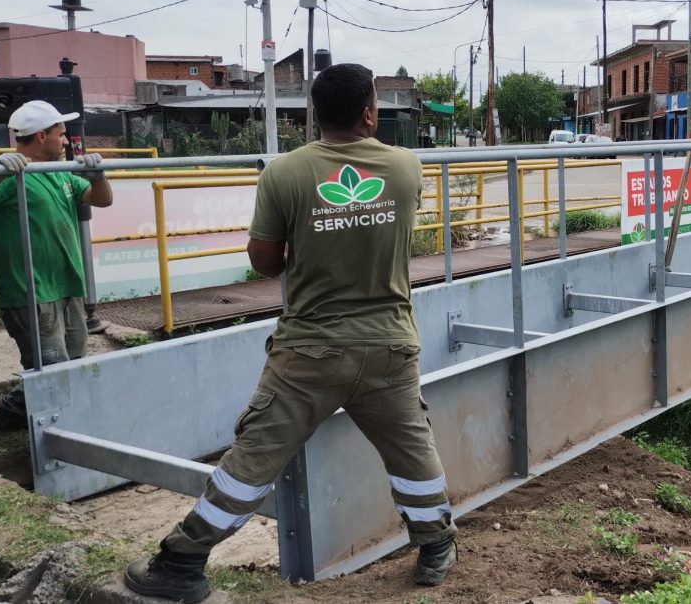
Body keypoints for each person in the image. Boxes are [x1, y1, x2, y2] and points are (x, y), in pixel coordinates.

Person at [124, 64, 457, 603]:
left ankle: (182, 560)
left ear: (313, 116)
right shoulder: (405, 167)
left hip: (310, 351)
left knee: (254, 456)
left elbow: (265, 264)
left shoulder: (283, 173)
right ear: (370, 112)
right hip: (390, 344)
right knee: (411, 451)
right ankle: (436, 545)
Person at [0, 101, 113, 435]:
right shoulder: (10, 172)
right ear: (42, 136)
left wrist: (98, 177)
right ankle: (31, 432)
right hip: (31, 292)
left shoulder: (58, 170)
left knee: (69, 368)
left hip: (68, 286)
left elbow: (102, 199)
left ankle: (13, 420)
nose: (66, 141)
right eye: (61, 134)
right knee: (51, 372)